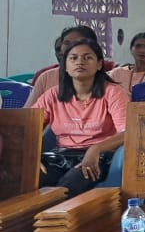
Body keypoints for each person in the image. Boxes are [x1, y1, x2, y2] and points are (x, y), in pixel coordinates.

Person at [34, 38, 128, 197]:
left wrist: (95, 148)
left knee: (67, 187)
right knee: (31, 180)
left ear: (99, 64)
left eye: (87, 57)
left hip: (100, 157)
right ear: (65, 66)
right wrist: (32, 157)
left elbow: (128, 132)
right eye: (73, 58)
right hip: (61, 156)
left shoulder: (113, 92)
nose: (80, 62)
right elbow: (28, 127)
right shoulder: (53, 95)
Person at [26, 26, 114, 107]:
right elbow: (30, 115)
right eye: (66, 43)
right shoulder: (48, 83)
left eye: (78, 43)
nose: (72, 47)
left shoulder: (111, 89)